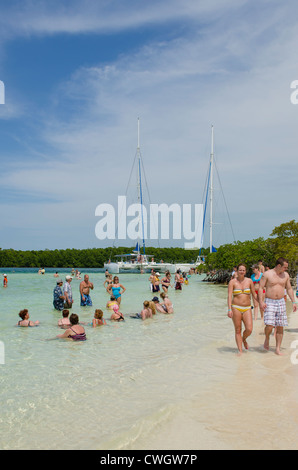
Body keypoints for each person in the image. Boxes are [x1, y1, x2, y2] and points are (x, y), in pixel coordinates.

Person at [258, 257, 297, 355]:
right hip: (270, 301)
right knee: (270, 325)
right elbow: (260, 288)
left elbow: (289, 289)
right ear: (279, 266)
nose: (286, 269)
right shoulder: (267, 274)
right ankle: (267, 338)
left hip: (281, 302)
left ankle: (277, 348)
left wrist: (293, 302)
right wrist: (261, 302)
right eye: (285, 267)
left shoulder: (286, 275)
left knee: (280, 326)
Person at [227, 264, 257, 355]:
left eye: (243, 270)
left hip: (247, 307)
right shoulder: (232, 282)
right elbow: (229, 296)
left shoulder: (249, 281)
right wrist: (229, 309)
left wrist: (261, 302)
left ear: (246, 271)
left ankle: (244, 339)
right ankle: (240, 350)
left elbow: (254, 294)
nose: (242, 272)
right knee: (238, 330)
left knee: (249, 329)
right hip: (236, 307)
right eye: (240, 270)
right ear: (237, 271)